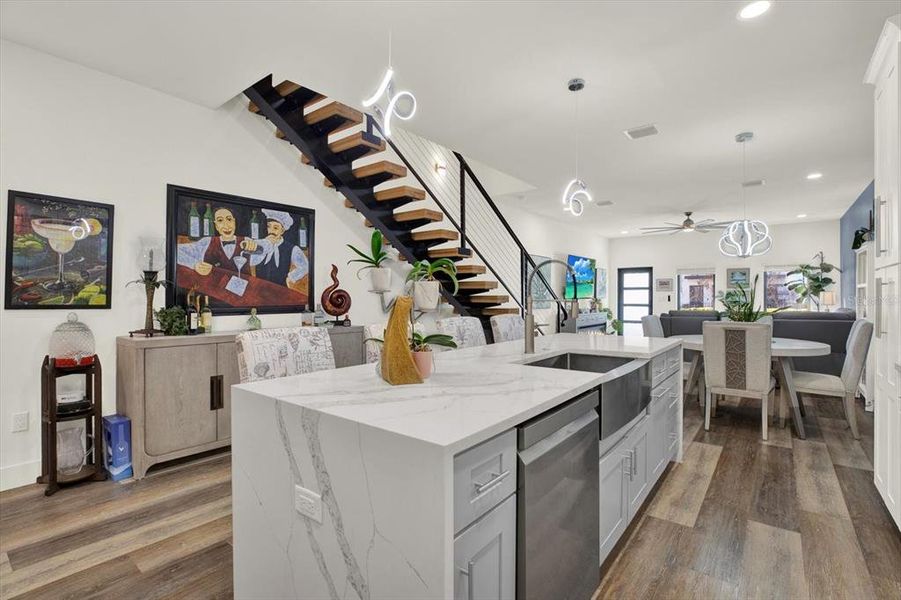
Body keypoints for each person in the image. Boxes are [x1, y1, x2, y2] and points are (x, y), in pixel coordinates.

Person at [177, 207, 263, 275]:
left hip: (242, 290)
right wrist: (195, 264)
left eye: (229, 219)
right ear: (216, 226)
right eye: (220, 220)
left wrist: (256, 248)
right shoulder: (206, 242)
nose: (226, 225)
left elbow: (263, 252)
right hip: (213, 290)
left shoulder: (246, 241)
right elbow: (176, 250)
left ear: (234, 222)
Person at [254, 209, 309, 287]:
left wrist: (291, 278)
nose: (271, 231)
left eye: (275, 228)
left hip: (280, 290)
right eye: (268, 226)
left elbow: (305, 266)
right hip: (259, 288)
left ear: (282, 230)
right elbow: (250, 260)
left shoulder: (291, 248)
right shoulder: (259, 243)